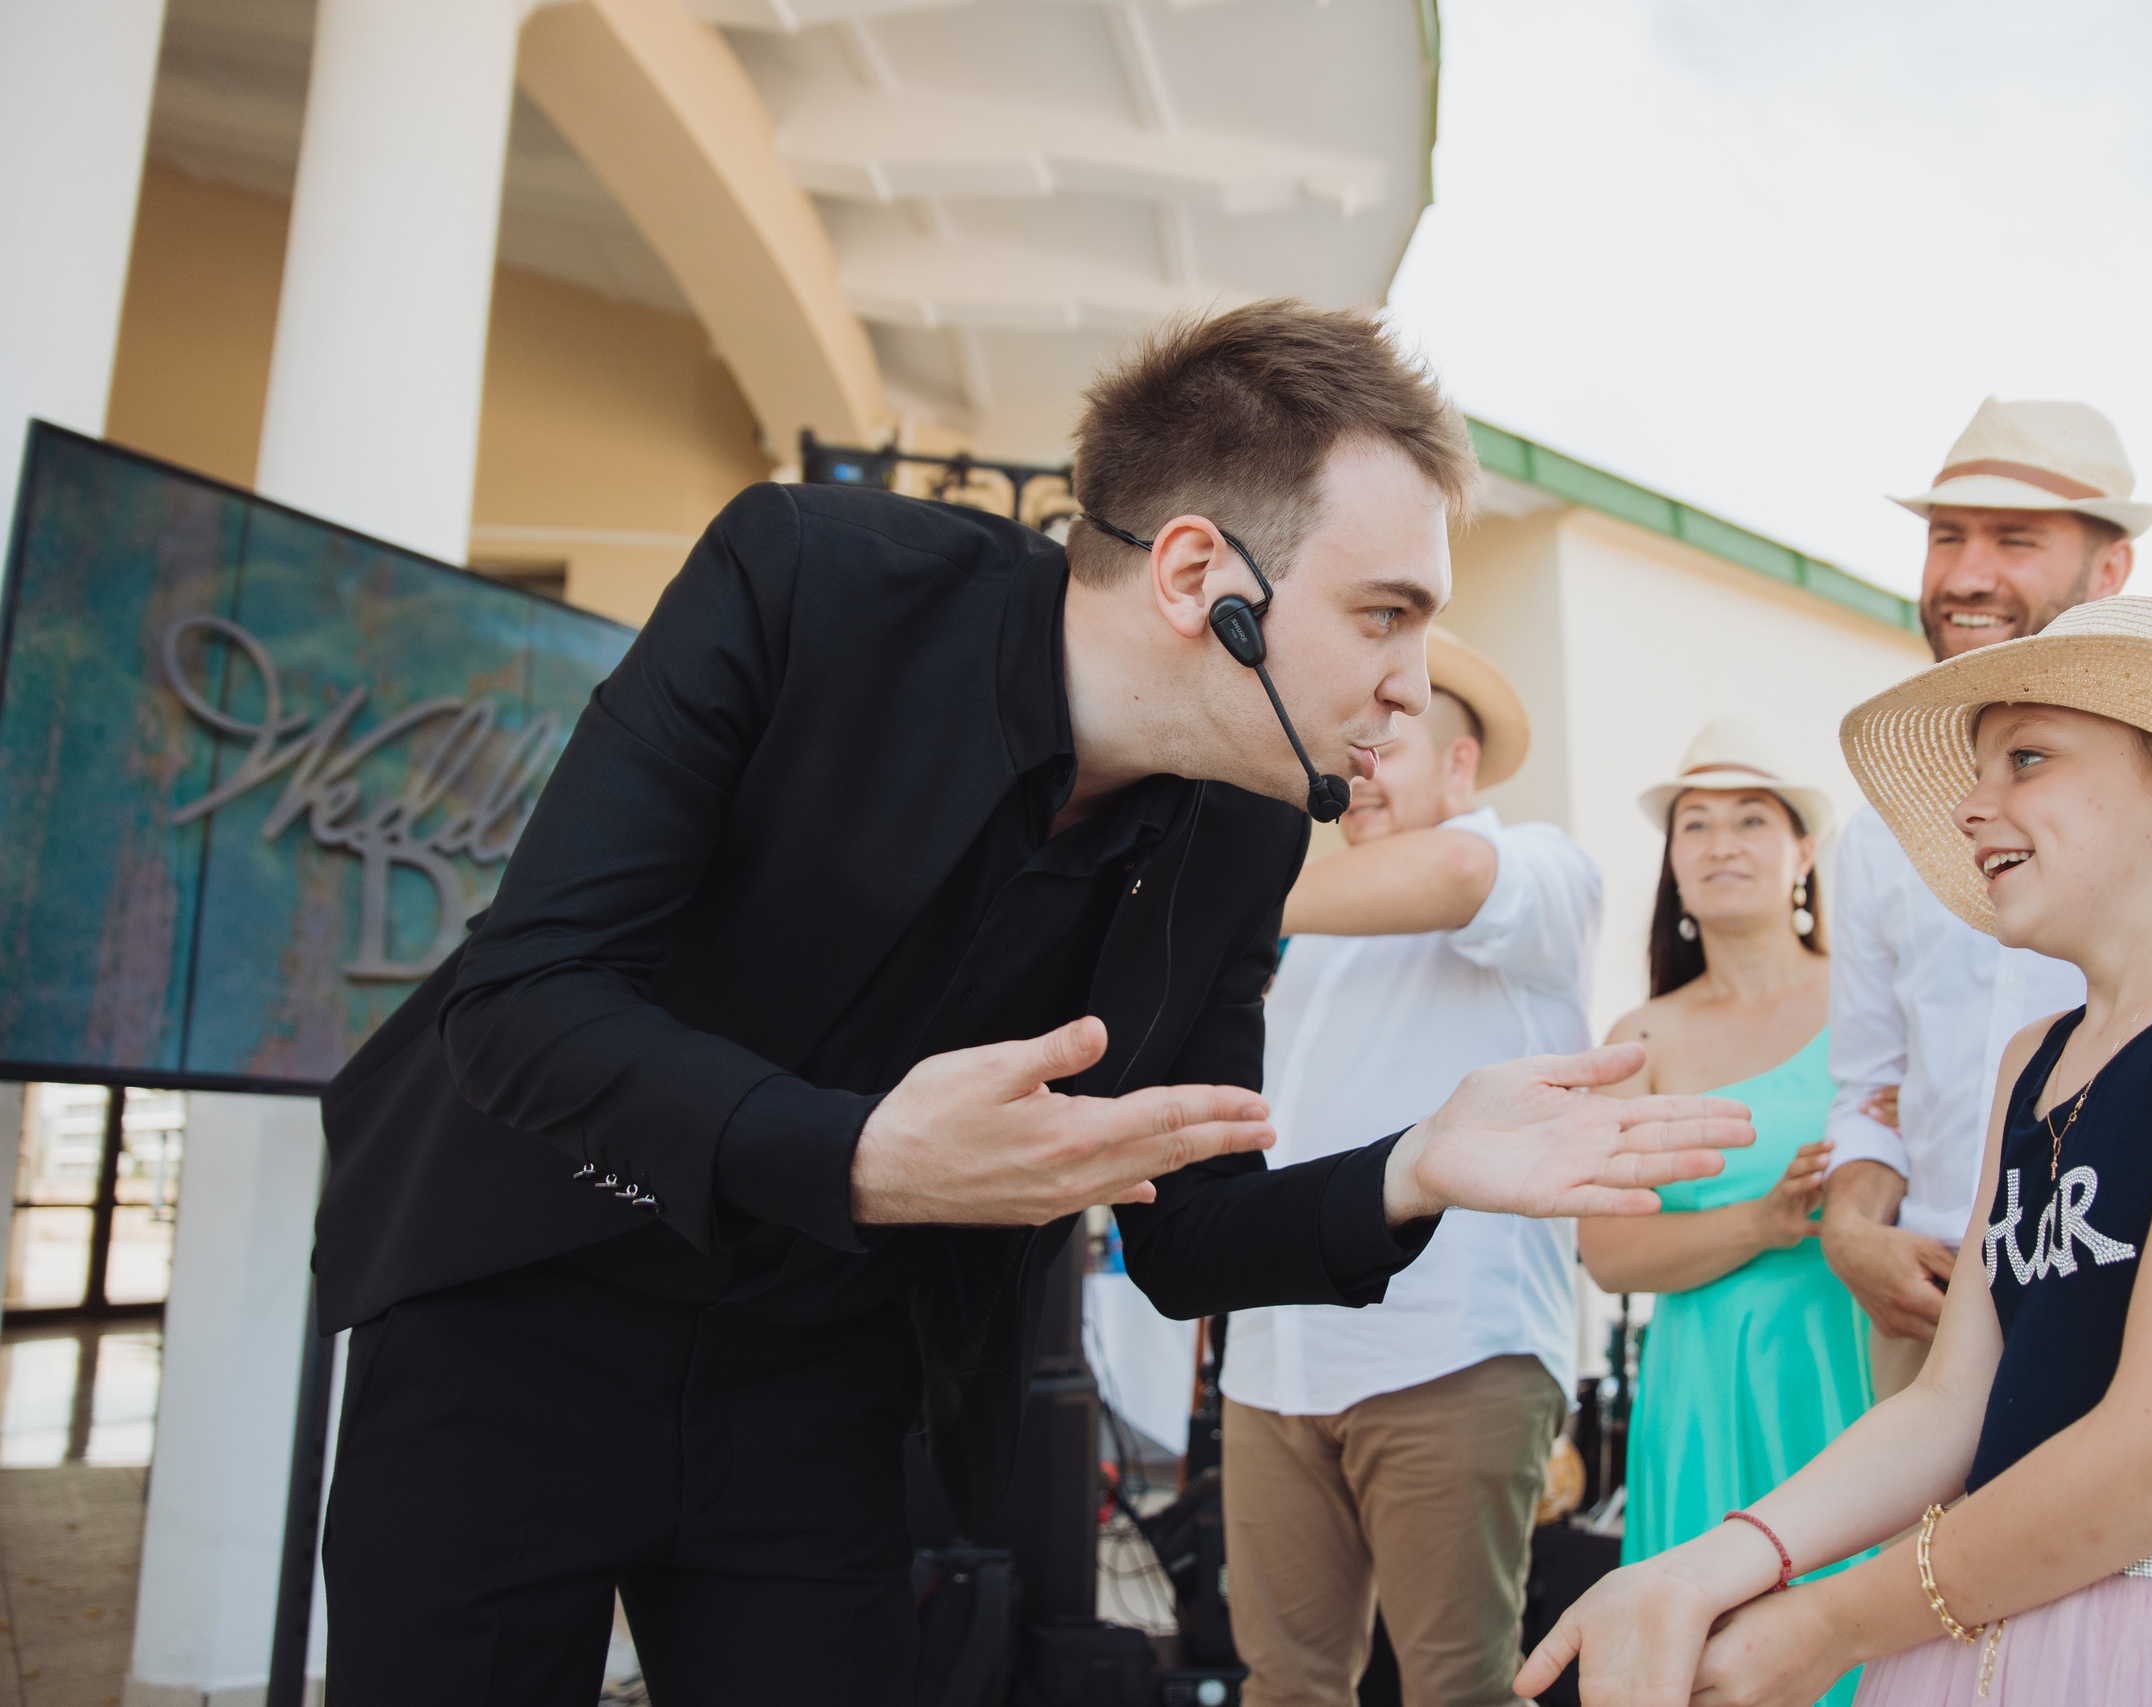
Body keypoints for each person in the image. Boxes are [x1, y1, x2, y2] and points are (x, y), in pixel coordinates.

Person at [308, 301, 1752, 1703]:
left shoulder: (1248, 829)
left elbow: (1182, 1231)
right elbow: (523, 995)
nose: (1410, 688)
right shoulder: (806, 576)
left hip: (824, 1385)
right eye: (1386, 614)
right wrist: (855, 1154)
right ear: (1196, 576)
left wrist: (1415, 1164)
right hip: (521, 1312)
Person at [1519, 596, 2152, 1707]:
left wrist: (1823, 1624)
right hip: (2000, 1636)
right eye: (1976, 769)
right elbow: (1952, 1404)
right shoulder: (2034, 1059)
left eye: (2026, 759)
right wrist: (1707, 1567)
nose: (1969, 806)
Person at [1218, 628, 1601, 1707]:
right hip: (1275, 1362)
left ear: (1461, 764)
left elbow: (1456, 872)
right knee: (1280, 1686)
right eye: (1351, 748)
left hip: (1450, 1352)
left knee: (1456, 1689)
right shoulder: (1310, 931)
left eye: (1391, 745)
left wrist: (1229, 906)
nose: (1360, 772)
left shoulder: (1541, 868)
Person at [1822, 398, 2148, 1399]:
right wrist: (1850, 1228)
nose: (1966, 575)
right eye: (1946, 537)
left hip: (2146, 1293)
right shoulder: (1875, 834)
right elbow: (1870, 1086)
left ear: (2110, 569)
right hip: (1924, 1303)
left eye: (2014, 539)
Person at [1578, 720, 1868, 1707]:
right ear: (1673, 865)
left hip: (1851, 1356)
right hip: (1704, 1380)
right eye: (1694, 824)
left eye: (1751, 819)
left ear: (1803, 852)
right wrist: (1763, 1223)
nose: (1719, 843)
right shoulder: (1641, 1036)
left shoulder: (1870, 999)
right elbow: (1609, 1253)